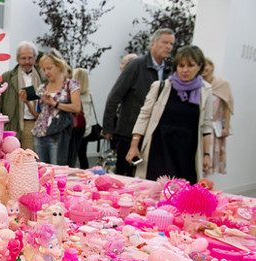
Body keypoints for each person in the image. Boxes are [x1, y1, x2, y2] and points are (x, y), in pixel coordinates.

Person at [126, 45, 212, 184]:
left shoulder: (206, 90)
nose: (185, 70)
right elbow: (144, 115)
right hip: (160, 148)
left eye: (190, 65)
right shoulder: (161, 86)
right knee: (155, 190)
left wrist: (207, 154)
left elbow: (206, 125)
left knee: (184, 194)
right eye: (181, 65)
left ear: (199, 66)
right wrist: (134, 145)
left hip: (187, 152)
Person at [103, 28, 175, 176]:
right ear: (153, 43)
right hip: (129, 132)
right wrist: (109, 128)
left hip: (154, 134)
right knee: (125, 175)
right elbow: (115, 96)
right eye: (165, 42)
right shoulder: (137, 65)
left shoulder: (170, 70)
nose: (168, 47)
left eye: (171, 44)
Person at [30, 50, 81, 165]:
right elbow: (38, 114)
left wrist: (54, 103)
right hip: (39, 133)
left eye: (49, 68)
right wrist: (27, 102)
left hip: (58, 133)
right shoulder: (42, 87)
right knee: (42, 169)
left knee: (57, 168)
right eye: (43, 69)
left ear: (58, 66)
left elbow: (77, 107)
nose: (46, 72)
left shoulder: (71, 84)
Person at [0, 41, 46, 151]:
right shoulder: (7, 77)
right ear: (17, 59)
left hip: (32, 125)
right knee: (11, 158)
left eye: (30, 58)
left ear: (35, 58)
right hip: (12, 124)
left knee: (28, 158)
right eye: (23, 58)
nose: (27, 61)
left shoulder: (42, 78)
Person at [202, 57, 233, 175]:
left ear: (212, 66)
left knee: (210, 156)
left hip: (214, 127)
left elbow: (227, 107)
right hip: (200, 127)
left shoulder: (222, 84)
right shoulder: (199, 85)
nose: (204, 68)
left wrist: (226, 126)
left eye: (206, 65)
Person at [70, 68, 94, 168]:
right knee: (83, 156)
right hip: (86, 129)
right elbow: (89, 114)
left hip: (74, 129)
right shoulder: (89, 95)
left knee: (71, 156)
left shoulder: (72, 95)